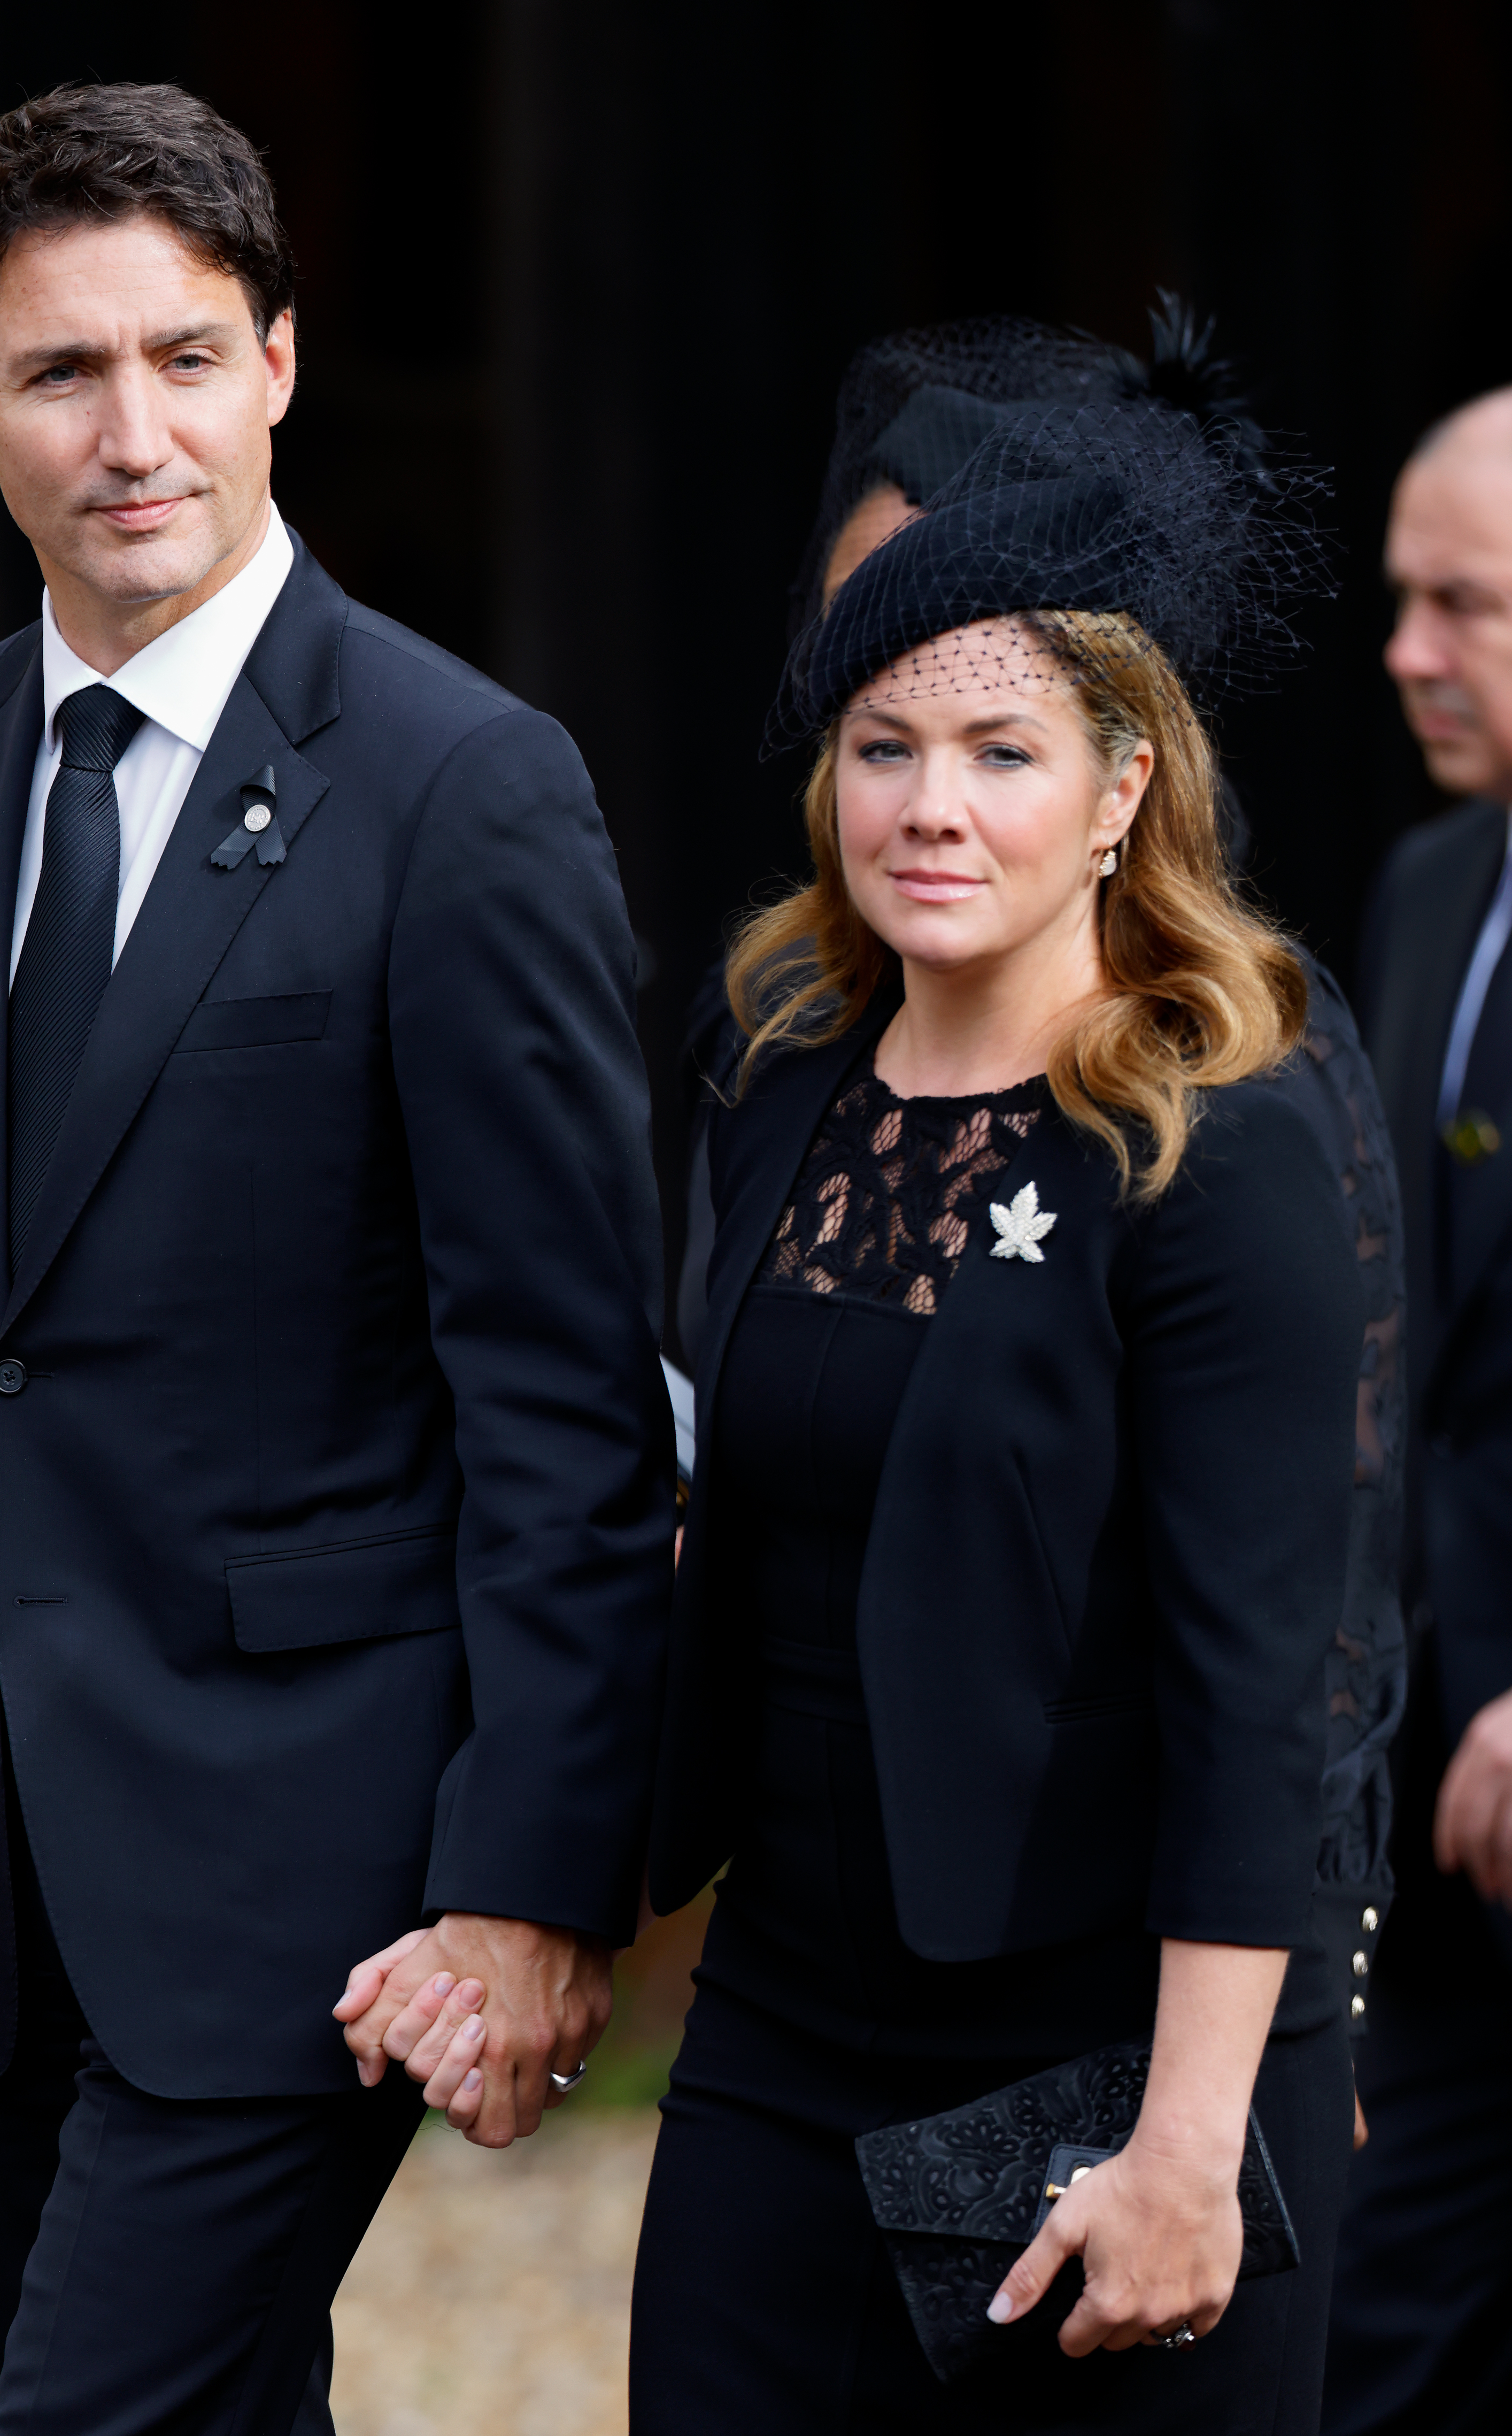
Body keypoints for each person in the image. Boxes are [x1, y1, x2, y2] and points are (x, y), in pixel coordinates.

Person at [0, 80, 673, 2436]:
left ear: (281, 363)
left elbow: (565, 1403)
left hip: (314, 1880)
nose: (132, 431)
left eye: (186, 355)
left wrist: (534, 1885)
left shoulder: (467, 784)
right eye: (60, 371)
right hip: (4, 1881)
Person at [629, 395, 1364, 2432]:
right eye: (884, 748)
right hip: (781, 2025)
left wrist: (1190, 2144)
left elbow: (1255, 1693)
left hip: (1100, 2060)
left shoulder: (1214, 1149)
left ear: (1124, 786)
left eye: (1000, 752)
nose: (928, 807)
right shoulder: (784, 1080)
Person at [1324, 387, 1512, 2436]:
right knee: (1375, 2337)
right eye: (1400, 596)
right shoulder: (1432, 887)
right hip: (1429, 1779)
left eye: (1460, 603)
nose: (1404, 650)